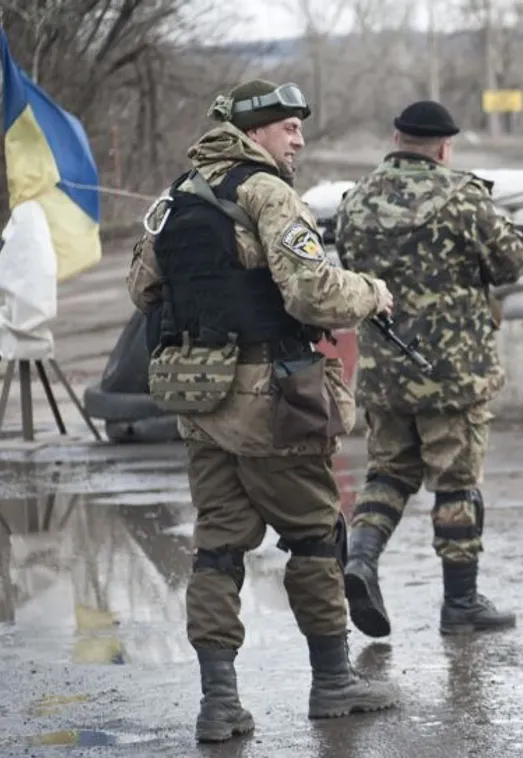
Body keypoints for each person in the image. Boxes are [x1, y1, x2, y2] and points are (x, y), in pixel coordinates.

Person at [126, 79, 401, 743]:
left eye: (299, 127)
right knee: (311, 537)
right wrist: (371, 292)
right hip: (272, 396)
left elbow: (142, 289)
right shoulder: (267, 192)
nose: (298, 138)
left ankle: (219, 704)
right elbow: (312, 295)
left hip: (199, 398)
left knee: (218, 547)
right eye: (285, 128)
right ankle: (333, 684)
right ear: (251, 133)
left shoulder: (173, 199)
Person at [333, 100, 523, 640]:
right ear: (445, 147)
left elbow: (347, 271)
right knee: (456, 482)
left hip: (385, 369)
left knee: (388, 473)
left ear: (397, 139)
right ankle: (461, 603)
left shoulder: (356, 201)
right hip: (452, 373)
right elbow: (512, 263)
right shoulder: (464, 198)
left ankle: (361, 560)